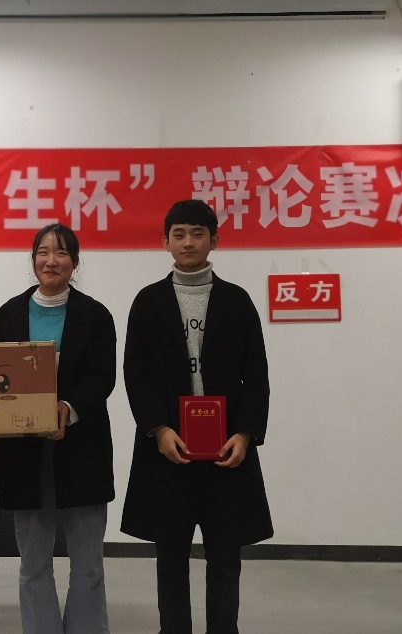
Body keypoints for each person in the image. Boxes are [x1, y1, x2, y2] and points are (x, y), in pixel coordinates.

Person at [119, 199, 272, 634]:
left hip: (227, 450)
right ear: (165, 242)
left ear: (214, 240)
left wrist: (246, 433)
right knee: (170, 557)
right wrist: (158, 428)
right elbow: (136, 373)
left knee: (225, 556)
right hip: (170, 450)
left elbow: (256, 373)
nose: (188, 242)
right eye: (179, 234)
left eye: (198, 233)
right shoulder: (148, 301)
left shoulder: (236, 301)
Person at [0, 223, 116, 634]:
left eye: (61, 253)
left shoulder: (95, 316)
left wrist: (68, 408)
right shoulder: (7, 315)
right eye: (43, 252)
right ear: (33, 259)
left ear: (74, 262)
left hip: (81, 446)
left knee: (88, 563)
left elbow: (102, 377)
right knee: (33, 561)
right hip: (24, 453)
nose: (51, 261)